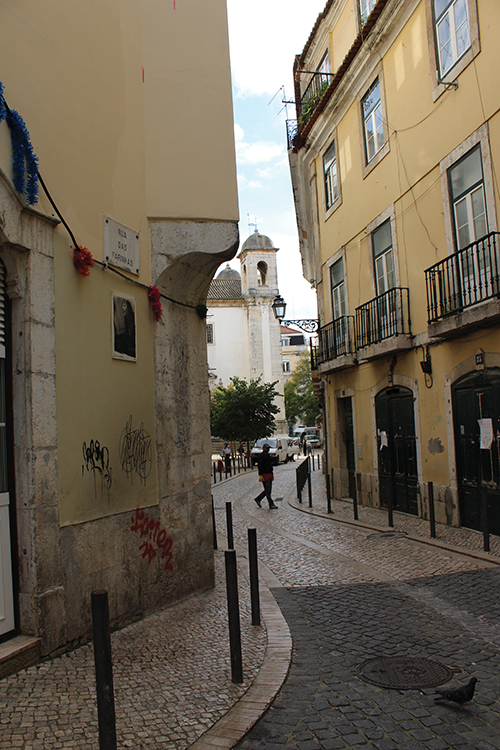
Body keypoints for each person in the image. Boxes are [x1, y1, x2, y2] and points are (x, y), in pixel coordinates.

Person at [254, 444, 277, 509]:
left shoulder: (268, 456)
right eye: (267, 448)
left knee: (268, 490)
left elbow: (270, 465)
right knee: (268, 490)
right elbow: (260, 466)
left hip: (269, 474)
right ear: (263, 448)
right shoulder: (261, 456)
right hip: (264, 474)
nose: (268, 449)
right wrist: (260, 474)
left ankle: (258, 499)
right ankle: (271, 504)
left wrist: (272, 473)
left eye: (268, 448)